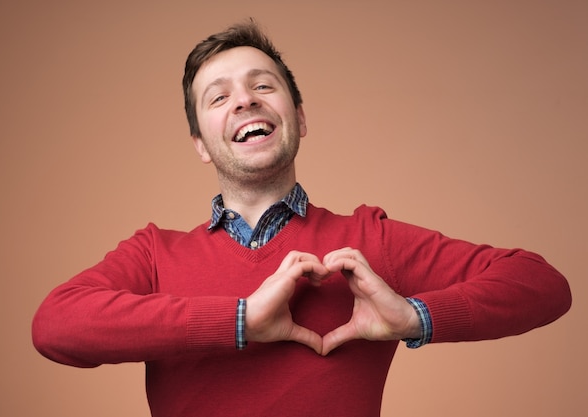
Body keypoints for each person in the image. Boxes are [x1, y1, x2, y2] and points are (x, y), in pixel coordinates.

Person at [32, 20, 572, 416]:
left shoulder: (366, 244)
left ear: (299, 117)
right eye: (218, 97)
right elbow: (55, 326)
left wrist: (413, 318)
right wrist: (239, 321)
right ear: (200, 144)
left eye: (263, 86)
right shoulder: (154, 255)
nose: (244, 101)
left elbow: (542, 284)